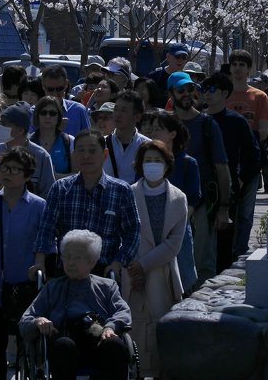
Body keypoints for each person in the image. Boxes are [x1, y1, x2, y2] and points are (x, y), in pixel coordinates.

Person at [19, 229, 132, 380]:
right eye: (66, 257)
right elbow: (25, 321)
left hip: (98, 341)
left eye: (77, 257)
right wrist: (38, 321)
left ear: (92, 262)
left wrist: (111, 327)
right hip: (64, 342)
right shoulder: (52, 288)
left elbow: (123, 312)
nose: (70, 263)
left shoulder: (107, 286)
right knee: (63, 346)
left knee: (115, 345)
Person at [33, 130, 141, 281]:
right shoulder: (60, 188)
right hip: (67, 271)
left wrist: (118, 263)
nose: (86, 156)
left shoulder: (121, 190)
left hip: (104, 271)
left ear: (104, 154)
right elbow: (46, 229)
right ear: (74, 154)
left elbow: (133, 231)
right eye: (81, 151)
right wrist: (39, 262)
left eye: (92, 151)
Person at [125, 140, 188, 379]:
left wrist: (144, 264)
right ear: (140, 165)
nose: (152, 165)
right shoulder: (128, 193)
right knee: (136, 329)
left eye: (158, 161)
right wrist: (134, 265)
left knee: (162, 329)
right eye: (148, 161)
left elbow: (174, 243)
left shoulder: (178, 198)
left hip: (162, 272)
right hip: (131, 273)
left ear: (167, 164)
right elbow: (124, 232)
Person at [0, 147, 47, 380]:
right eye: (4, 168)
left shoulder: (39, 205)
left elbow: (45, 240)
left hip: (25, 284)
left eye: (15, 169)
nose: (8, 173)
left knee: (27, 342)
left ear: (27, 175)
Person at [168, 71, 231, 285]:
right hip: (170, 201)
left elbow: (221, 167)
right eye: (180, 90)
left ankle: (203, 307)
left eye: (189, 89)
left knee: (204, 259)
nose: (187, 94)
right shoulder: (166, 124)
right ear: (171, 93)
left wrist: (224, 207)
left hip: (204, 202)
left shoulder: (207, 124)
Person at [201, 72, 262, 263]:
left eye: (212, 90)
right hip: (200, 186)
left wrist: (240, 180)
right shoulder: (199, 119)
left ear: (225, 93)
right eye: (204, 90)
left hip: (227, 188)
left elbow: (254, 155)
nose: (207, 94)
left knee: (224, 241)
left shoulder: (236, 121)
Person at [142, 110, 200, 293]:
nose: (153, 133)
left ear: (173, 134)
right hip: (148, 231)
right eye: (151, 129)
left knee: (182, 279)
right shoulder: (146, 160)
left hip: (179, 229)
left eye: (158, 129)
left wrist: (177, 222)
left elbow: (193, 197)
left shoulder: (188, 163)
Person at [0, 101, 56, 195]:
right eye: (0, 123)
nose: (0, 127)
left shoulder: (42, 156)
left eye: (5, 124)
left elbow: (49, 193)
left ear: (21, 130)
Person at [103, 91, 152, 184]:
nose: (117, 114)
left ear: (137, 117)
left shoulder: (148, 146)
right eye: (116, 109)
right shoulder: (101, 143)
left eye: (124, 110)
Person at [30, 95, 76, 179]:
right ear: (37, 115)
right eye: (43, 113)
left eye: (52, 113)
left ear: (59, 116)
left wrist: (55, 177)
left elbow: (77, 175)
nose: (48, 116)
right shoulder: (28, 142)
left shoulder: (70, 141)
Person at [41, 65, 92, 136]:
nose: (55, 93)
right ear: (43, 86)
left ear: (66, 84)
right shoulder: (34, 112)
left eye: (59, 89)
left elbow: (89, 139)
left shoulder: (79, 110)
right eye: (50, 89)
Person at [146, 43, 190, 107]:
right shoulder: (155, 75)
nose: (180, 60)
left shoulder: (188, 79)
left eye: (184, 57)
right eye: (177, 56)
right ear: (168, 57)